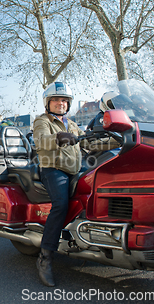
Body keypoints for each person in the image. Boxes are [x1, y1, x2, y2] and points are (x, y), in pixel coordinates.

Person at [33, 81, 111, 287]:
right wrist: (59, 137)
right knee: (61, 205)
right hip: (52, 168)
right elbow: (40, 141)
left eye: (64, 100)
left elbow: (87, 142)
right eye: (57, 100)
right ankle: (45, 257)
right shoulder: (42, 121)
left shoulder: (73, 124)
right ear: (48, 103)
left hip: (74, 169)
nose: (61, 103)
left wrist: (117, 139)